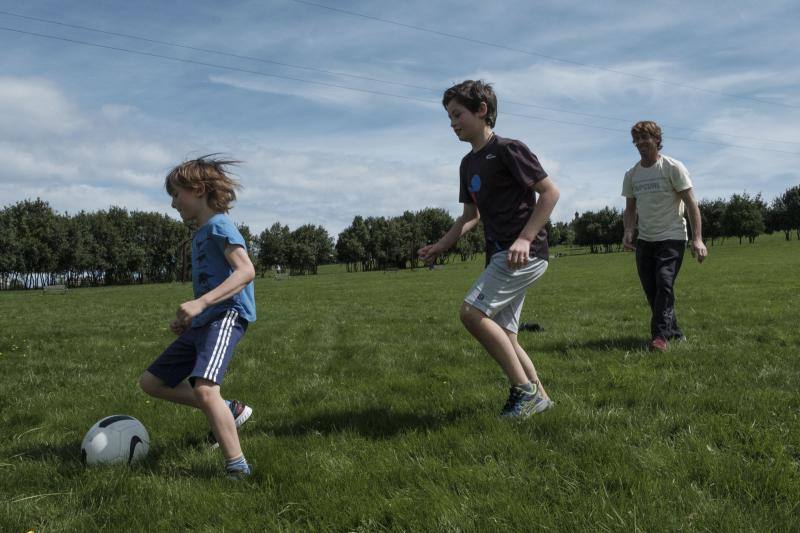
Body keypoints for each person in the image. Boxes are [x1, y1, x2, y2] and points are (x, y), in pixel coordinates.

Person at [418, 80, 560, 418]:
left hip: (523, 254)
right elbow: (470, 216)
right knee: (507, 336)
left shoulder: (510, 149)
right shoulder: (468, 166)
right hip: (500, 255)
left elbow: (550, 193)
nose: (452, 123)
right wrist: (440, 246)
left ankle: (524, 393)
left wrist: (525, 239)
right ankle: (541, 397)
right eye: (449, 117)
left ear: (482, 110)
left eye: (458, 114)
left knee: (471, 313)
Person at [139, 156, 256, 479]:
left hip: (227, 316)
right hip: (204, 320)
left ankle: (238, 468)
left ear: (199, 190)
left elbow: (246, 271)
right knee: (151, 383)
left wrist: (202, 303)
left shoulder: (220, 226)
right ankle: (229, 409)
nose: (173, 203)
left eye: (177, 194)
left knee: (205, 389)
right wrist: (191, 317)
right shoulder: (199, 234)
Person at [622, 121, 707, 352]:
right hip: (645, 241)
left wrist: (697, 238)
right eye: (636, 139)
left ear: (657, 140)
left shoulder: (672, 167)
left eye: (645, 138)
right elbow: (630, 208)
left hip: (672, 236)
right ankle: (675, 332)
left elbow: (691, 204)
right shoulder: (632, 175)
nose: (640, 143)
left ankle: (659, 338)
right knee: (653, 290)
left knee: (664, 283)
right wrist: (629, 231)